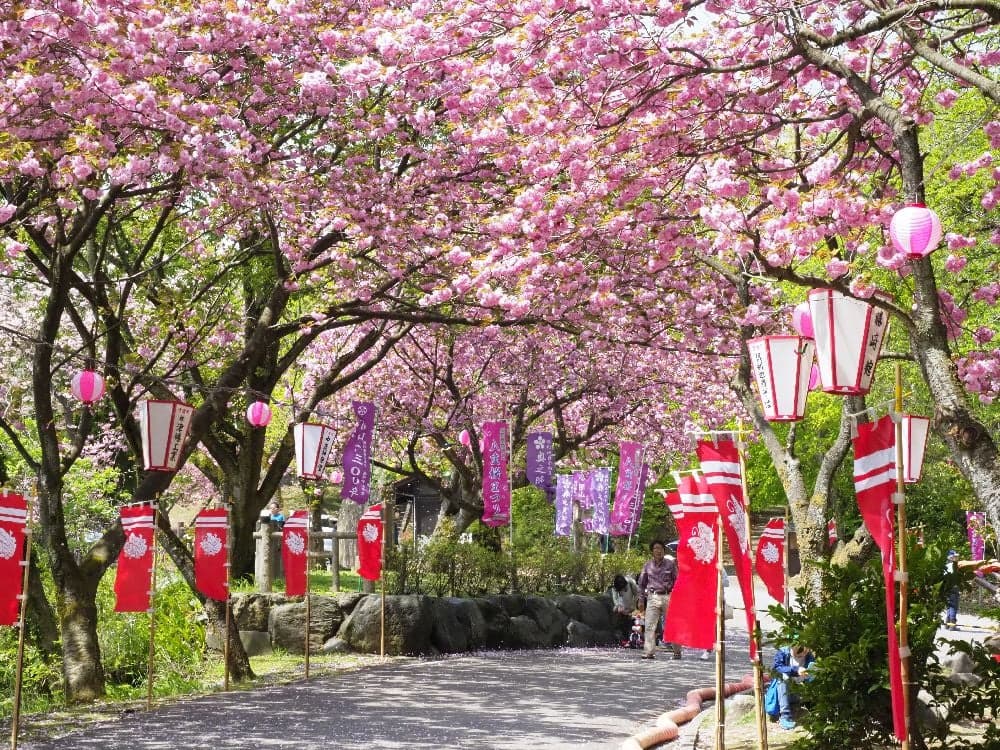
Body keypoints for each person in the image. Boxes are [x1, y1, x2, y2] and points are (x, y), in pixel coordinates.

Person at [637, 539, 679, 660]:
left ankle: (677, 651)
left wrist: (677, 598)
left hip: (667, 596)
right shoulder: (647, 565)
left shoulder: (670, 565)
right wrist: (640, 599)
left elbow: (677, 581)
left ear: (663, 550)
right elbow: (641, 584)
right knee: (650, 625)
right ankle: (649, 652)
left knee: (672, 624)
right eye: (655, 549)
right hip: (652, 597)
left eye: (660, 548)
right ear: (652, 551)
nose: (658, 551)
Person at [772, 644, 815, 730]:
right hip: (784, 693)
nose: (804, 652)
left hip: (800, 692)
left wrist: (811, 675)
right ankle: (785, 716)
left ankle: (814, 709)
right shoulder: (783, 652)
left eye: (806, 649)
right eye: (800, 649)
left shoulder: (809, 656)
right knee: (782, 678)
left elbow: (811, 674)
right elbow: (777, 669)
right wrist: (796, 670)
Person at [610, 574, 640, 646]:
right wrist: (618, 605)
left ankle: (635, 640)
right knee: (623, 622)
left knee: (633, 622)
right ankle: (624, 640)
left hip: (633, 605)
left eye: (623, 589)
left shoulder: (631, 582)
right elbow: (615, 597)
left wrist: (633, 606)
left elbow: (636, 594)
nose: (622, 590)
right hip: (622, 607)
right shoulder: (615, 586)